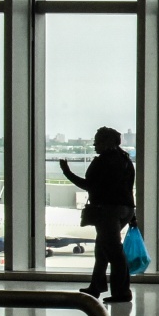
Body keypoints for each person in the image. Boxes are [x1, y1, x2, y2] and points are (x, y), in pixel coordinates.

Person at [59, 127, 136, 305]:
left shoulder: (103, 162)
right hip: (125, 209)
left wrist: (67, 172)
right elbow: (126, 188)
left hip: (107, 210)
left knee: (113, 253)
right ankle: (96, 287)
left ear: (107, 142)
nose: (94, 144)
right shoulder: (125, 160)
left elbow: (89, 186)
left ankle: (122, 292)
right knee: (103, 249)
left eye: (97, 140)